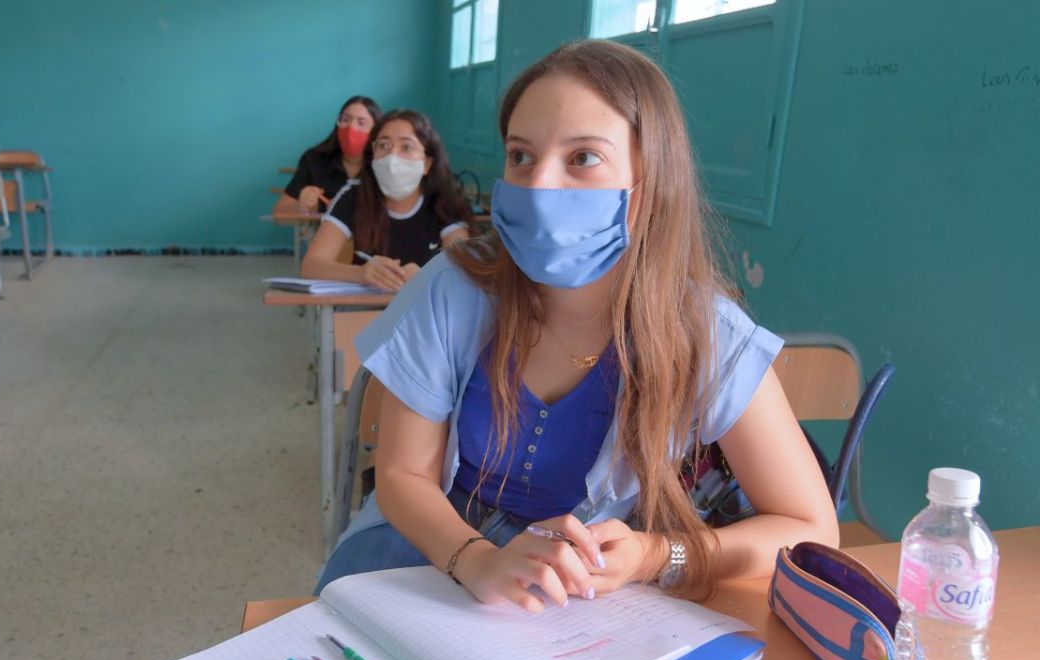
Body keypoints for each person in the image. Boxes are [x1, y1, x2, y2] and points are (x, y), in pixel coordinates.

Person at [314, 41, 839, 608]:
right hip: (429, 550)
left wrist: (657, 554)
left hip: (576, 593)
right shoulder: (451, 288)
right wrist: (478, 560)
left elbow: (809, 527)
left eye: (583, 157)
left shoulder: (704, 332)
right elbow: (402, 475)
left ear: (650, 179)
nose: (539, 184)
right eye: (520, 155)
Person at [300, 109, 471, 291]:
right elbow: (311, 266)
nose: (392, 156)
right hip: (363, 305)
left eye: (406, 147)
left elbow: (464, 267)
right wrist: (360, 273)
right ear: (373, 155)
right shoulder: (354, 195)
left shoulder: (445, 199)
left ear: (427, 163)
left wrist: (428, 275)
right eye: (383, 145)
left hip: (424, 304)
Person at [273, 96, 382, 216]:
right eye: (345, 120)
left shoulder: (384, 164)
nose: (351, 127)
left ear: (376, 131)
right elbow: (280, 211)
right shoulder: (314, 160)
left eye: (361, 123)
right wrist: (304, 207)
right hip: (322, 228)